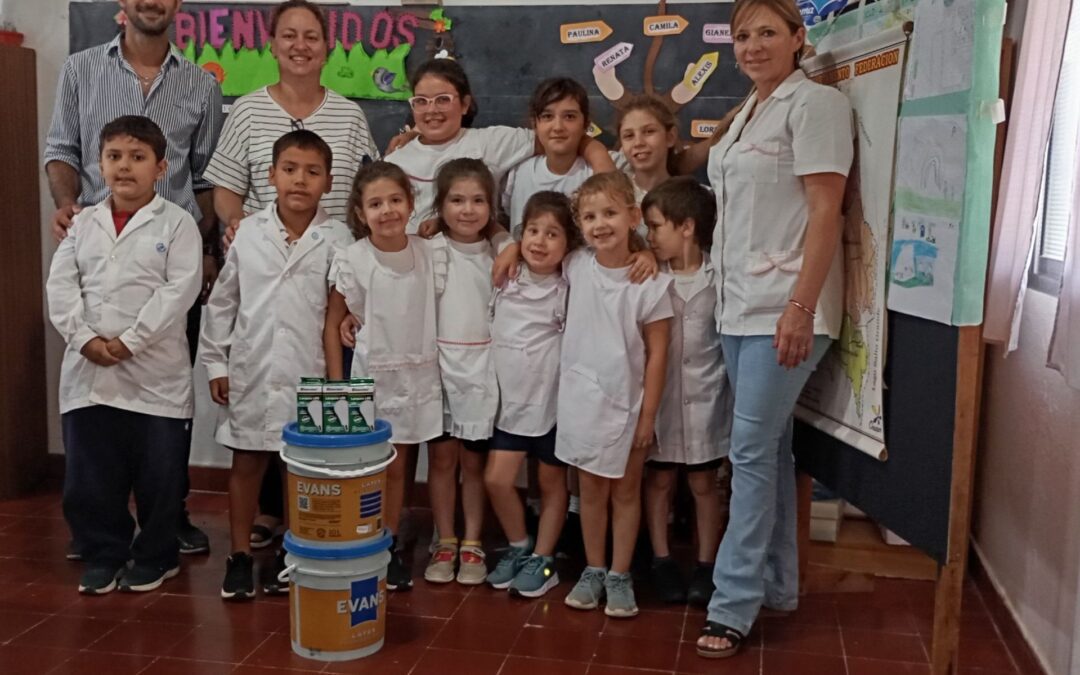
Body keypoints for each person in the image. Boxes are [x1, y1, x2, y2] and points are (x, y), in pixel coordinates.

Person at [695, 0, 853, 658]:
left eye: (767, 33)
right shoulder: (747, 112)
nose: (753, 45)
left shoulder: (815, 105)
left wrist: (799, 305)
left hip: (785, 311)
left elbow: (826, 210)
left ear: (798, 38)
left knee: (751, 454)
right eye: (742, 35)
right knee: (772, 451)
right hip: (738, 306)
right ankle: (780, 584)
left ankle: (732, 604)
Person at [43, 0, 222, 557]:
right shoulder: (80, 69)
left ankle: (167, 518)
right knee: (98, 409)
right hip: (98, 251)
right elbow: (60, 150)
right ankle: (101, 522)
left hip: (170, 254)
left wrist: (204, 249)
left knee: (163, 407)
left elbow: (208, 176)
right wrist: (70, 205)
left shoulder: (201, 84)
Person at [46, 115, 203, 595]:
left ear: (161, 167)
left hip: (154, 372)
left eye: (137, 158)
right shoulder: (82, 223)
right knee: (90, 478)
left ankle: (156, 555)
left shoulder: (177, 224)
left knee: (160, 477)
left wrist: (130, 341)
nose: (124, 167)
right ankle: (103, 552)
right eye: (114, 157)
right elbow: (61, 287)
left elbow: (180, 291)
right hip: (89, 369)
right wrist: (86, 339)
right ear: (99, 163)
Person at [200, 130, 353, 601]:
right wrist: (215, 364)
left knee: (303, 470)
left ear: (328, 182)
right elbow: (223, 303)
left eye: (312, 172)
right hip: (254, 368)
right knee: (247, 462)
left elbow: (342, 309)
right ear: (270, 176)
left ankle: (298, 553)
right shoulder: (247, 232)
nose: (300, 180)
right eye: (289, 169)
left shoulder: (338, 237)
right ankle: (241, 556)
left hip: (310, 371)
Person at [323, 161, 445, 592]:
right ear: (360, 212)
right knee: (368, 468)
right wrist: (340, 390)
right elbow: (335, 322)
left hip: (419, 373)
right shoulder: (353, 258)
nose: (387, 210)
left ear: (411, 204)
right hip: (370, 379)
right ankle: (364, 539)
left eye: (395, 200)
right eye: (376, 203)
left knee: (400, 468)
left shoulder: (431, 253)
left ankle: (390, 540)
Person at [555, 172, 672, 619]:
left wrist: (647, 417)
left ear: (632, 215)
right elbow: (530, 242)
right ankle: (594, 568)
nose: (600, 223)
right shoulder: (576, 265)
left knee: (625, 492)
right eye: (589, 216)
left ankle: (621, 574)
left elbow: (658, 355)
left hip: (628, 405)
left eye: (609, 213)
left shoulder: (650, 282)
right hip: (582, 403)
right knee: (590, 493)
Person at [386, 58, 615, 233]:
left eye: (443, 99)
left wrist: (599, 157)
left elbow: (556, 138)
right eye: (421, 101)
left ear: (465, 104)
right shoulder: (395, 161)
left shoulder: (491, 141)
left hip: (476, 265)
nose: (432, 110)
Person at [484, 191, 582, 598]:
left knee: (553, 485)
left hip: (554, 406)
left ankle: (544, 561)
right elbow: (490, 228)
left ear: (569, 244)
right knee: (497, 480)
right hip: (510, 406)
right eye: (534, 231)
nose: (540, 242)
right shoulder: (507, 274)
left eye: (553, 234)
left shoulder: (572, 281)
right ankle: (520, 544)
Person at [210, 0, 379, 234]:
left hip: (336, 256)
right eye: (289, 36)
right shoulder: (247, 110)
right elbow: (226, 187)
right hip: (266, 255)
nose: (300, 46)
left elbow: (372, 186)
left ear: (326, 48)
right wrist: (238, 224)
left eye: (311, 37)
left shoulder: (351, 116)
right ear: (273, 45)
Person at [641, 177, 732, 608]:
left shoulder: (720, 274)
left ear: (688, 227)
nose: (650, 236)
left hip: (708, 400)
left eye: (656, 226)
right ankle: (660, 560)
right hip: (658, 404)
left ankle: (706, 565)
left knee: (702, 482)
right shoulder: (648, 274)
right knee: (658, 480)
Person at [422, 159, 504, 586]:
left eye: (477, 200)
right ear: (440, 205)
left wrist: (504, 238)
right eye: (456, 200)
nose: (467, 210)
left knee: (473, 464)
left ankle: (472, 541)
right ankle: (445, 539)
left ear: (492, 206)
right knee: (441, 460)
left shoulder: (500, 252)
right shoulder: (429, 249)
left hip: (480, 371)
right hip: (437, 369)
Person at [502, 78, 594, 233]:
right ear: (535, 125)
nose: (558, 127)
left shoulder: (594, 173)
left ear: (585, 125)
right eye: (547, 116)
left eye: (569, 117)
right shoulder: (518, 173)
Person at [616, 95, 680, 207]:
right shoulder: (613, 196)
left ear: (670, 137)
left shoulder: (691, 197)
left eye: (649, 131)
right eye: (629, 135)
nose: (638, 143)